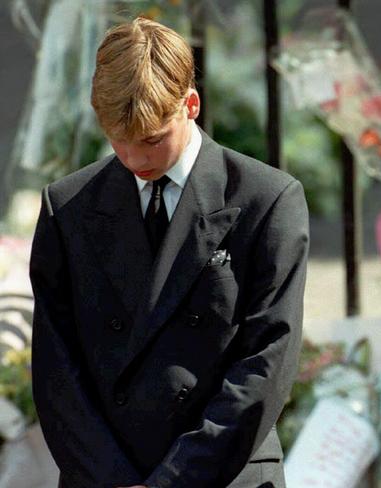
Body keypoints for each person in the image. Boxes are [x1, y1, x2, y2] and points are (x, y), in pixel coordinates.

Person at [29, 17, 308, 488]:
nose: (136, 159)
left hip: (224, 472)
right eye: (119, 140)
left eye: (152, 139)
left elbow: (267, 361)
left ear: (190, 105)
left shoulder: (267, 199)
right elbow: (56, 369)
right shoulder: (68, 207)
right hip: (102, 476)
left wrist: (173, 481)